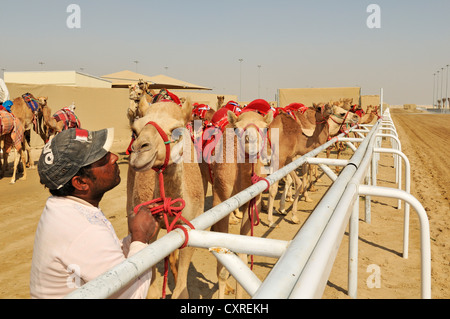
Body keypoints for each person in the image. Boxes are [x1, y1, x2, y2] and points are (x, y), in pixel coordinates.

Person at [30, 127, 158, 299]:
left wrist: (131, 241)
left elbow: (99, 257)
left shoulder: (62, 208)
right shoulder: (83, 229)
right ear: (81, 182)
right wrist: (140, 237)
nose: (114, 157)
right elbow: (133, 294)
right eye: (103, 158)